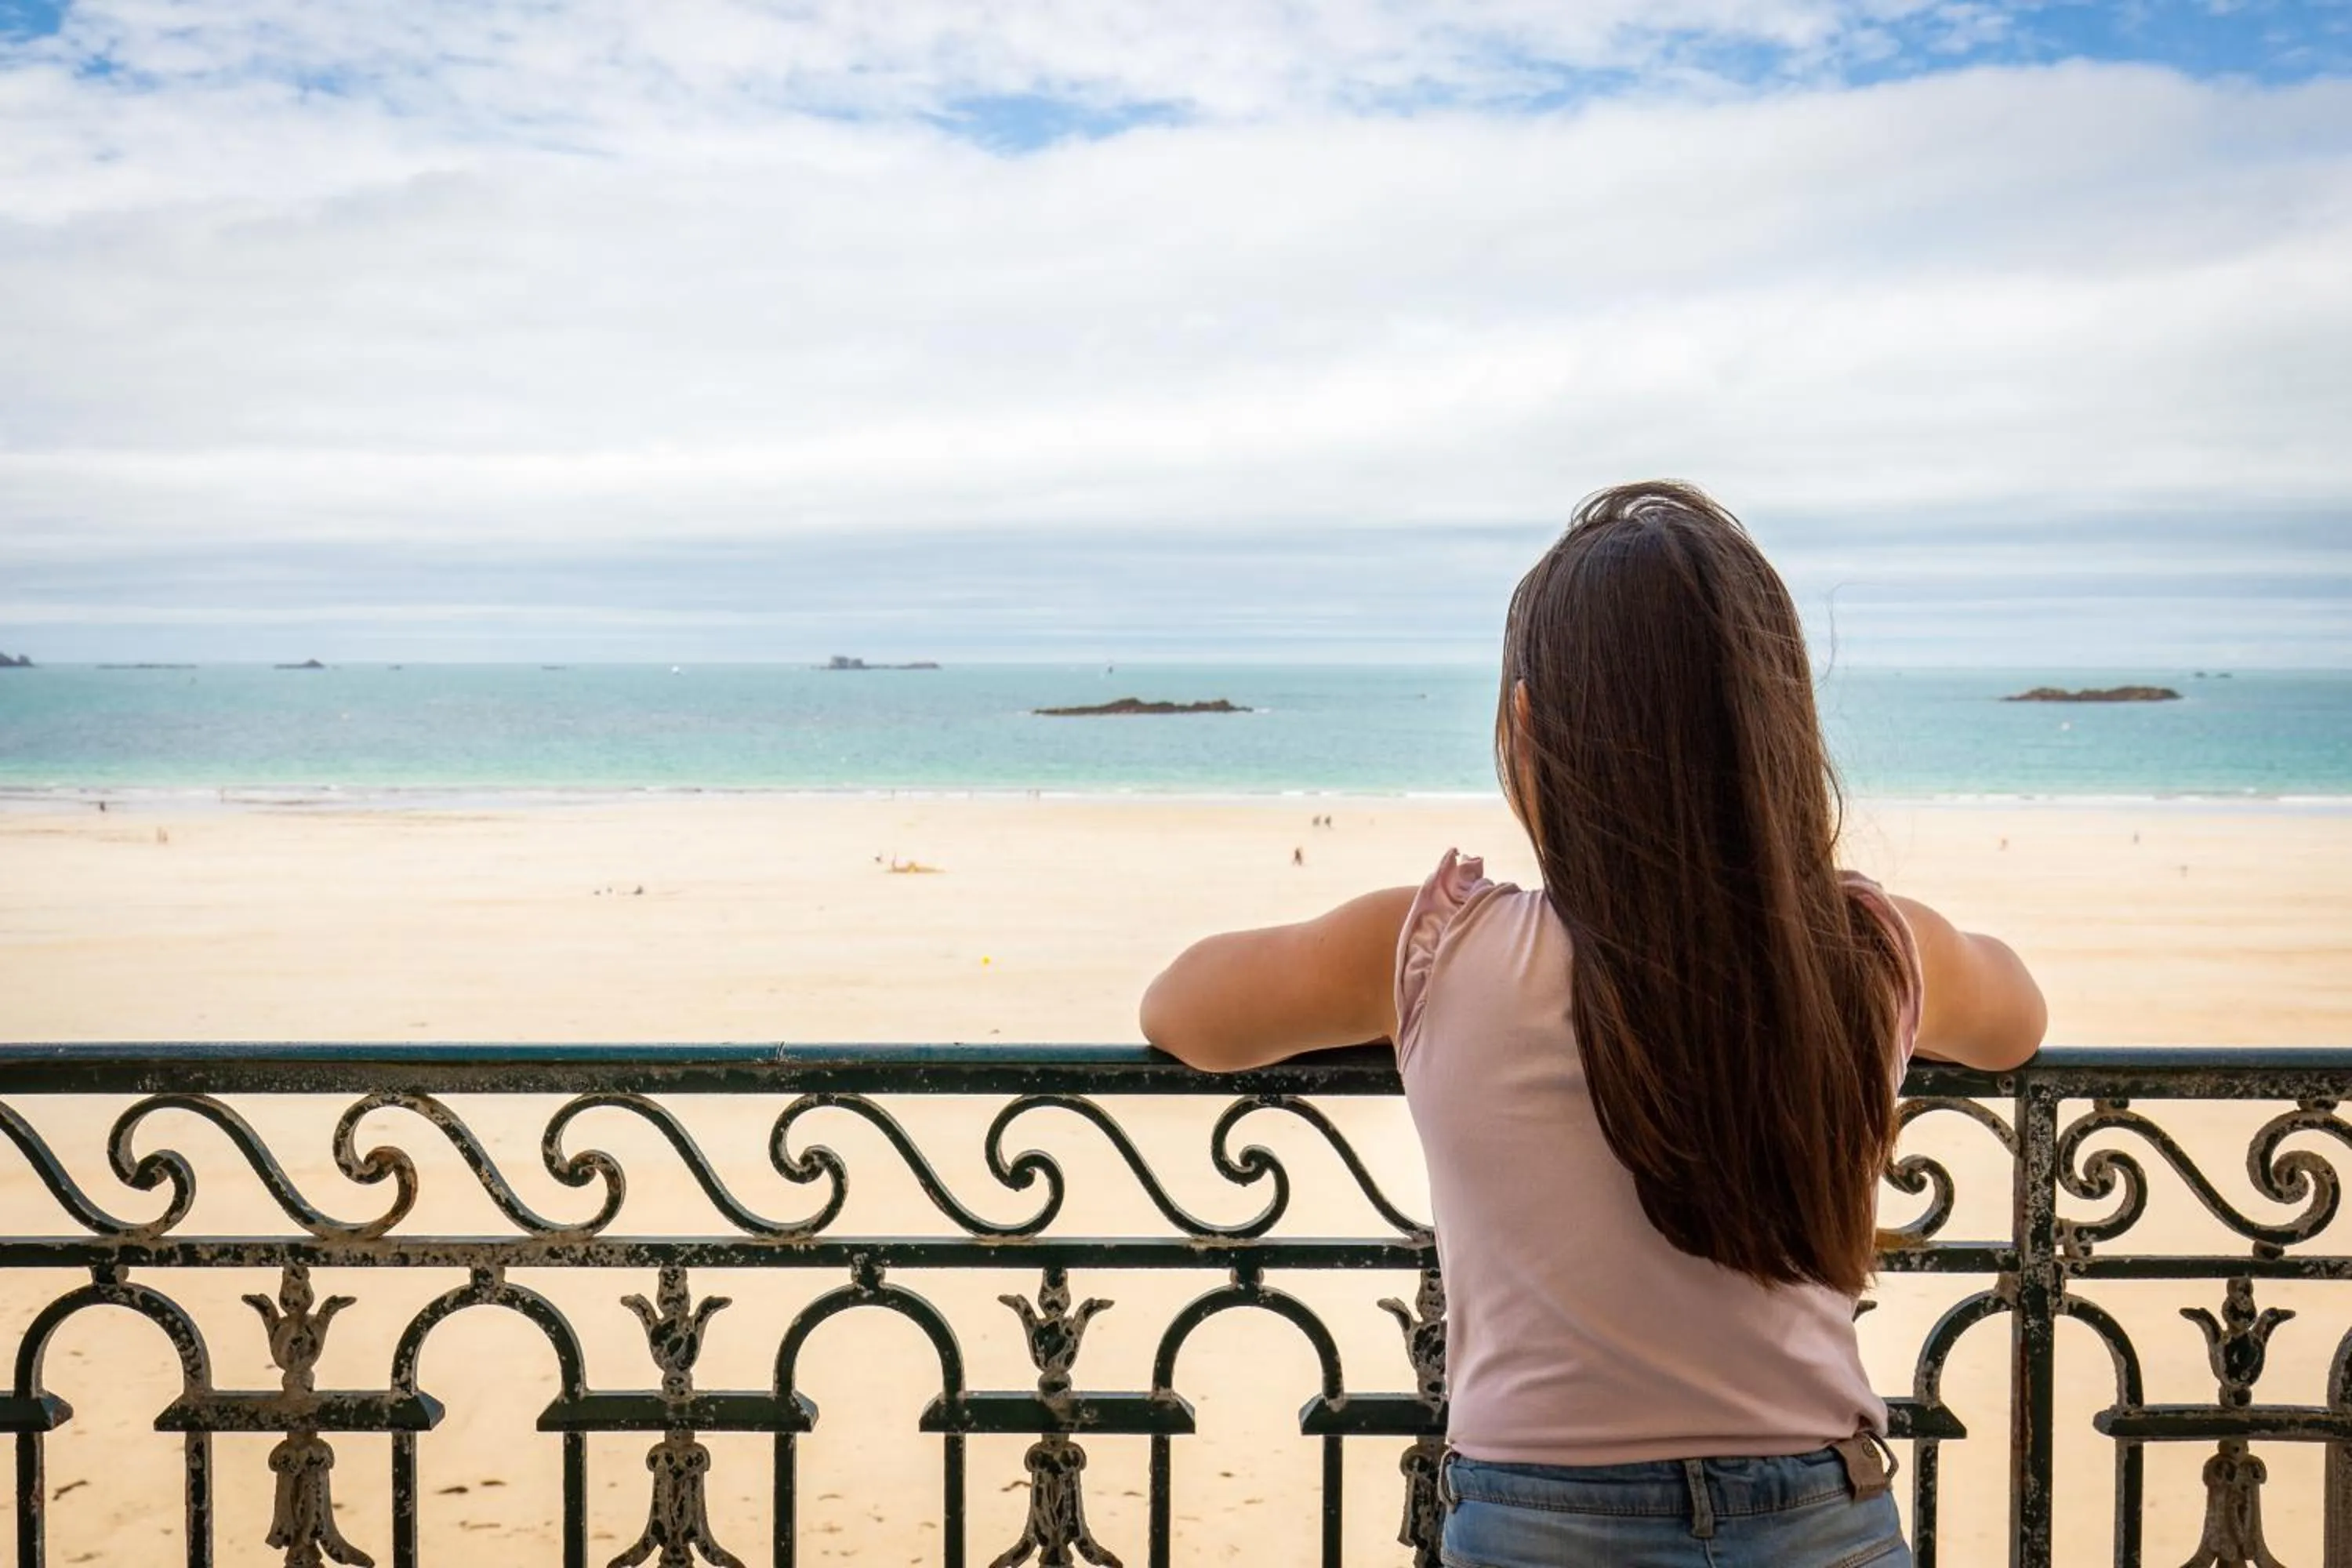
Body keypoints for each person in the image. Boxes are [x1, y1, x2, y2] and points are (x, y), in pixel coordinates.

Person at [1139, 482, 2044, 1566]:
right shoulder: (1864, 952)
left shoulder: (1433, 949)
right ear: (1772, 727)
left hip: (1541, 1529)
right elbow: (2017, 1023)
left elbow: (1180, 1010)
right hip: (1826, 1521)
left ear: (1528, 726)